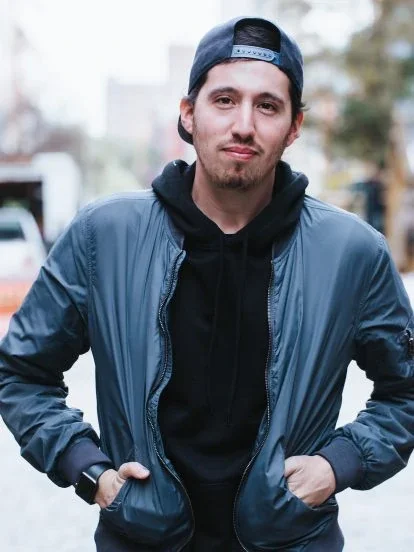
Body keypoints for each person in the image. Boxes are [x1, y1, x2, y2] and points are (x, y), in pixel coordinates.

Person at [0, 16, 414, 552]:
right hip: (141, 539)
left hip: (291, 540)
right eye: (224, 100)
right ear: (188, 113)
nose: (244, 124)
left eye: (267, 106)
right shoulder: (104, 236)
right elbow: (21, 373)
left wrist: (339, 464)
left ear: (294, 127)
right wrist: (89, 470)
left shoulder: (351, 252)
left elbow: (404, 392)